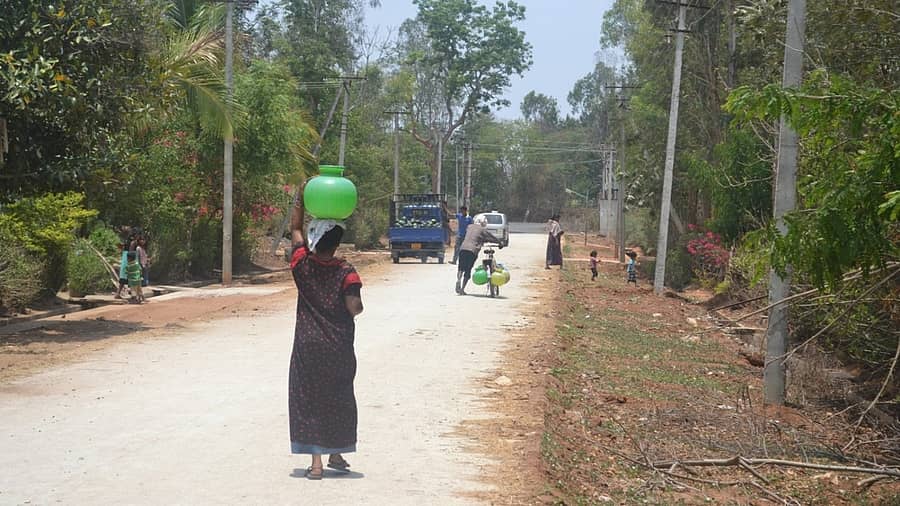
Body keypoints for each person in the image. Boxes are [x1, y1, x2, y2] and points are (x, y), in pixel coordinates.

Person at [288, 183, 364, 481]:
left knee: (309, 398)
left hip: (307, 346)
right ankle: (337, 450)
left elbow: (295, 229)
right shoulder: (346, 272)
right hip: (338, 346)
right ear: (337, 243)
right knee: (339, 396)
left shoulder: (302, 265)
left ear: (314, 241)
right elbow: (354, 308)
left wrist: (300, 197)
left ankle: (319, 463)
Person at [455, 217, 502, 295]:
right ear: (484, 223)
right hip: (472, 251)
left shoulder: (469, 226)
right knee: (468, 270)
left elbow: (473, 236)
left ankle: (458, 280)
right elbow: (490, 237)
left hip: (463, 248)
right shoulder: (482, 229)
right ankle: (462, 289)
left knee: (461, 268)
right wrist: (499, 242)